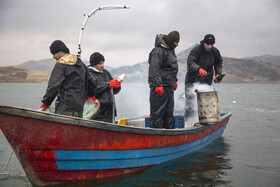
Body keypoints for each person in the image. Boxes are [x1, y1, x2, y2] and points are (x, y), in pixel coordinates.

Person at [40, 40, 88, 118]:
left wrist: (46, 102)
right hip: (79, 111)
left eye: (54, 53)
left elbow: (53, 86)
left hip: (63, 109)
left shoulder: (61, 65)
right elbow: (88, 84)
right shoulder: (82, 65)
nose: (53, 56)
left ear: (61, 52)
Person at [184, 34, 223, 123]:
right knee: (190, 103)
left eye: (211, 44)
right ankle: (188, 123)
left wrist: (218, 74)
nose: (209, 46)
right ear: (204, 42)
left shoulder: (215, 52)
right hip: (192, 80)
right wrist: (198, 69)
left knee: (205, 102)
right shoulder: (196, 50)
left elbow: (218, 63)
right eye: (207, 44)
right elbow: (190, 62)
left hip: (206, 80)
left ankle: (203, 121)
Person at [148, 30, 180, 129]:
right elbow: (154, 68)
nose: (177, 45)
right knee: (157, 114)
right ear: (171, 41)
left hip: (169, 87)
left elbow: (172, 68)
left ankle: (168, 136)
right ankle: (156, 139)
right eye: (176, 42)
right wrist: (158, 85)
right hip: (160, 88)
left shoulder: (170, 50)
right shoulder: (158, 51)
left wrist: (175, 81)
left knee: (169, 113)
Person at [87, 52, 121, 123]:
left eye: (102, 63)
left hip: (110, 112)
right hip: (97, 113)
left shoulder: (106, 73)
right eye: (99, 63)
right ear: (93, 64)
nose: (102, 65)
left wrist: (117, 87)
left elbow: (113, 91)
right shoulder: (88, 74)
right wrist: (108, 85)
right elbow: (93, 90)